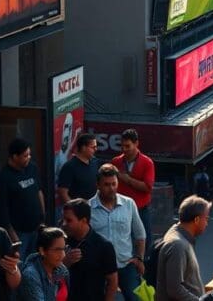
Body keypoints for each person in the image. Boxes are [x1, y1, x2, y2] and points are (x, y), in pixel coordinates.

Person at [89, 164, 146, 301]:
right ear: (98, 185)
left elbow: (140, 234)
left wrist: (139, 258)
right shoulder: (88, 207)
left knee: (135, 298)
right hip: (99, 269)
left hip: (125, 265)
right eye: (107, 185)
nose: (111, 188)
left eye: (114, 184)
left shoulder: (129, 204)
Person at [0, 137, 45, 257]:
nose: (29, 158)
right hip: (19, 232)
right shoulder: (4, 177)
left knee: (35, 262)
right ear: (14, 157)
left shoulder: (32, 168)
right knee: (20, 264)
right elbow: (2, 209)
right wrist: (12, 235)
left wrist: (42, 217)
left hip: (36, 228)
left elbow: (39, 192)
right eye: (25, 156)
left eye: (29, 154)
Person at [156, 194, 211, 301]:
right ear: (196, 220)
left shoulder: (177, 231)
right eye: (206, 218)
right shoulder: (178, 246)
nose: (207, 223)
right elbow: (175, 289)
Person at [62, 198, 118, 301]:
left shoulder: (103, 246)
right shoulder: (61, 243)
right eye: (63, 219)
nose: (64, 224)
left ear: (84, 221)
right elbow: (48, 274)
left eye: (69, 220)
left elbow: (112, 282)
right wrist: (64, 263)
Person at [111, 129, 156, 257]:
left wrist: (127, 179)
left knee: (145, 240)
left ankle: (143, 265)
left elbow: (148, 187)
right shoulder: (116, 161)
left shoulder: (147, 162)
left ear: (136, 144)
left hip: (141, 209)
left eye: (128, 146)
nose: (124, 149)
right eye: (122, 146)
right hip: (121, 208)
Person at [17, 226, 70, 301]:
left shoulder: (62, 269)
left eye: (63, 249)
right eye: (57, 250)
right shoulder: (31, 275)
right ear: (42, 251)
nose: (63, 255)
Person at [57, 133, 100, 204]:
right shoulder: (69, 167)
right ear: (83, 148)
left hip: (94, 209)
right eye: (93, 147)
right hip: (78, 211)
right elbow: (62, 192)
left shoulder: (95, 162)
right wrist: (73, 209)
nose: (96, 149)